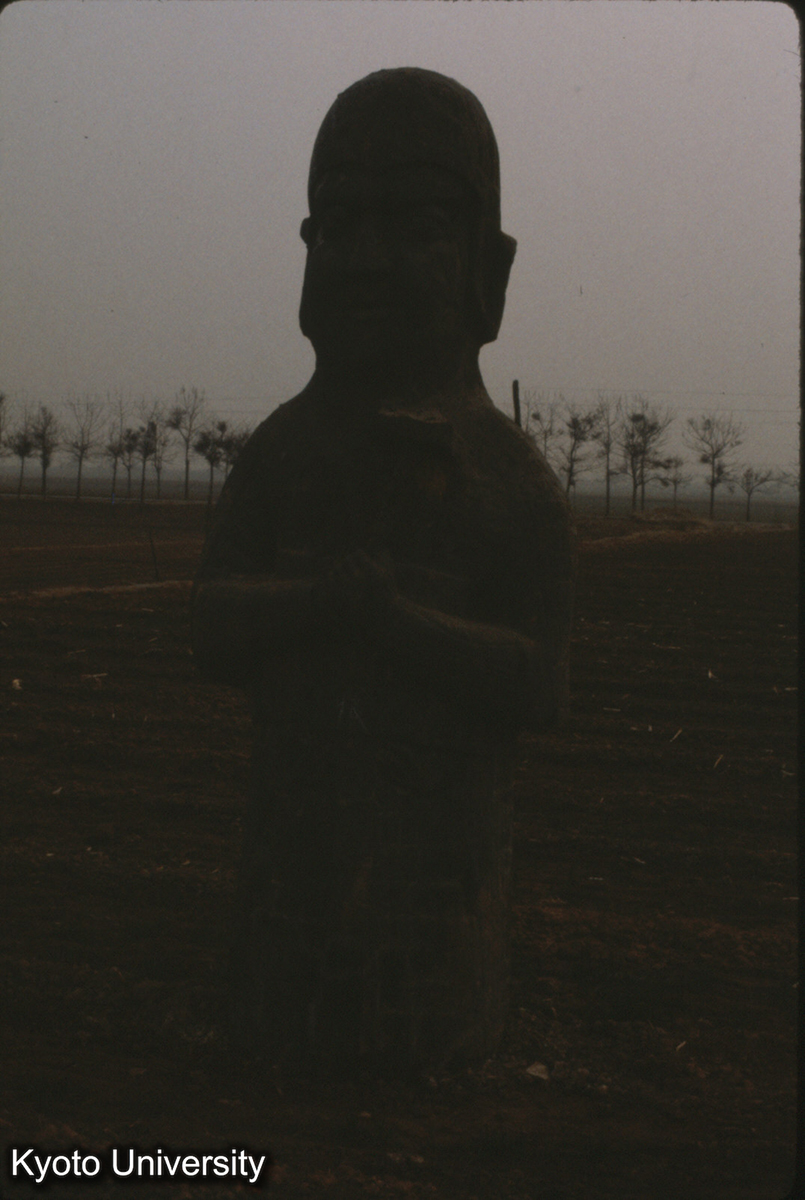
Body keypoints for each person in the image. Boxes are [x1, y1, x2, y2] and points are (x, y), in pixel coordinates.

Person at [192, 67, 574, 1073]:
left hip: (437, 887)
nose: (363, 260)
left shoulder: (507, 477)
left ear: (486, 267)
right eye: (337, 224)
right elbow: (210, 624)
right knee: (284, 1002)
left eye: (417, 227)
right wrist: (316, 604)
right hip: (291, 865)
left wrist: (397, 623)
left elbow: (536, 682)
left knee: (419, 1014)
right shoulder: (285, 449)